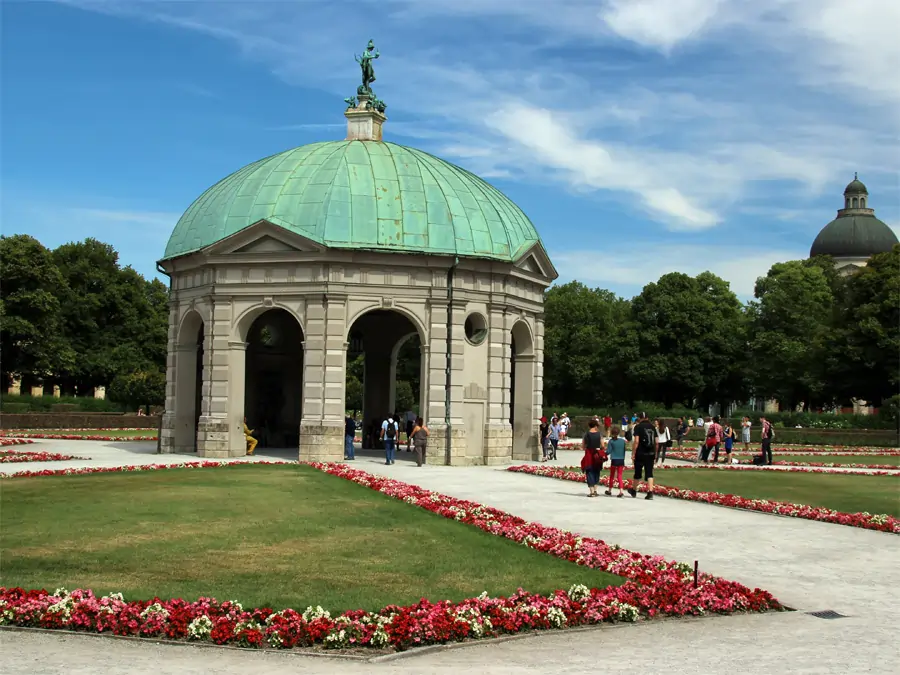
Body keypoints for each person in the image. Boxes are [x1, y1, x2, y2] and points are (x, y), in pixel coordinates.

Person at [629, 412, 657, 500]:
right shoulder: (653, 427)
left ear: (640, 418)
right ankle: (650, 492)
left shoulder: (638, 427)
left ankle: (634, 490)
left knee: (638, 472)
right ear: (648, 418)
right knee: (649, 473)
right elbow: (656, 442)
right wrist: (655, 453)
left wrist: (633, 453)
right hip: (651, 452)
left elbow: (636, 441)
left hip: (641, 452)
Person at [580, 419, 606, 497]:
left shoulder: (586, 434)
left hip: (589, 453)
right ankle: (595, 490)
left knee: (589, 471)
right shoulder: (599, 434)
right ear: (595, 426)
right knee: (596, 471)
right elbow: (603, 446)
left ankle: (591, 491)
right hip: (597, 454)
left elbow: (583, 446)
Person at [605, 425, 627, 497]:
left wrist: (604, 453)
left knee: (612, 475)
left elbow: (608, 451)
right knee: (619, 476)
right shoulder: (623, 441)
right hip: (621, 459)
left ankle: (610, 490)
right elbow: (624, 450)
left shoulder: (611, 441)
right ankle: (621, 491)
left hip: (614, 459)